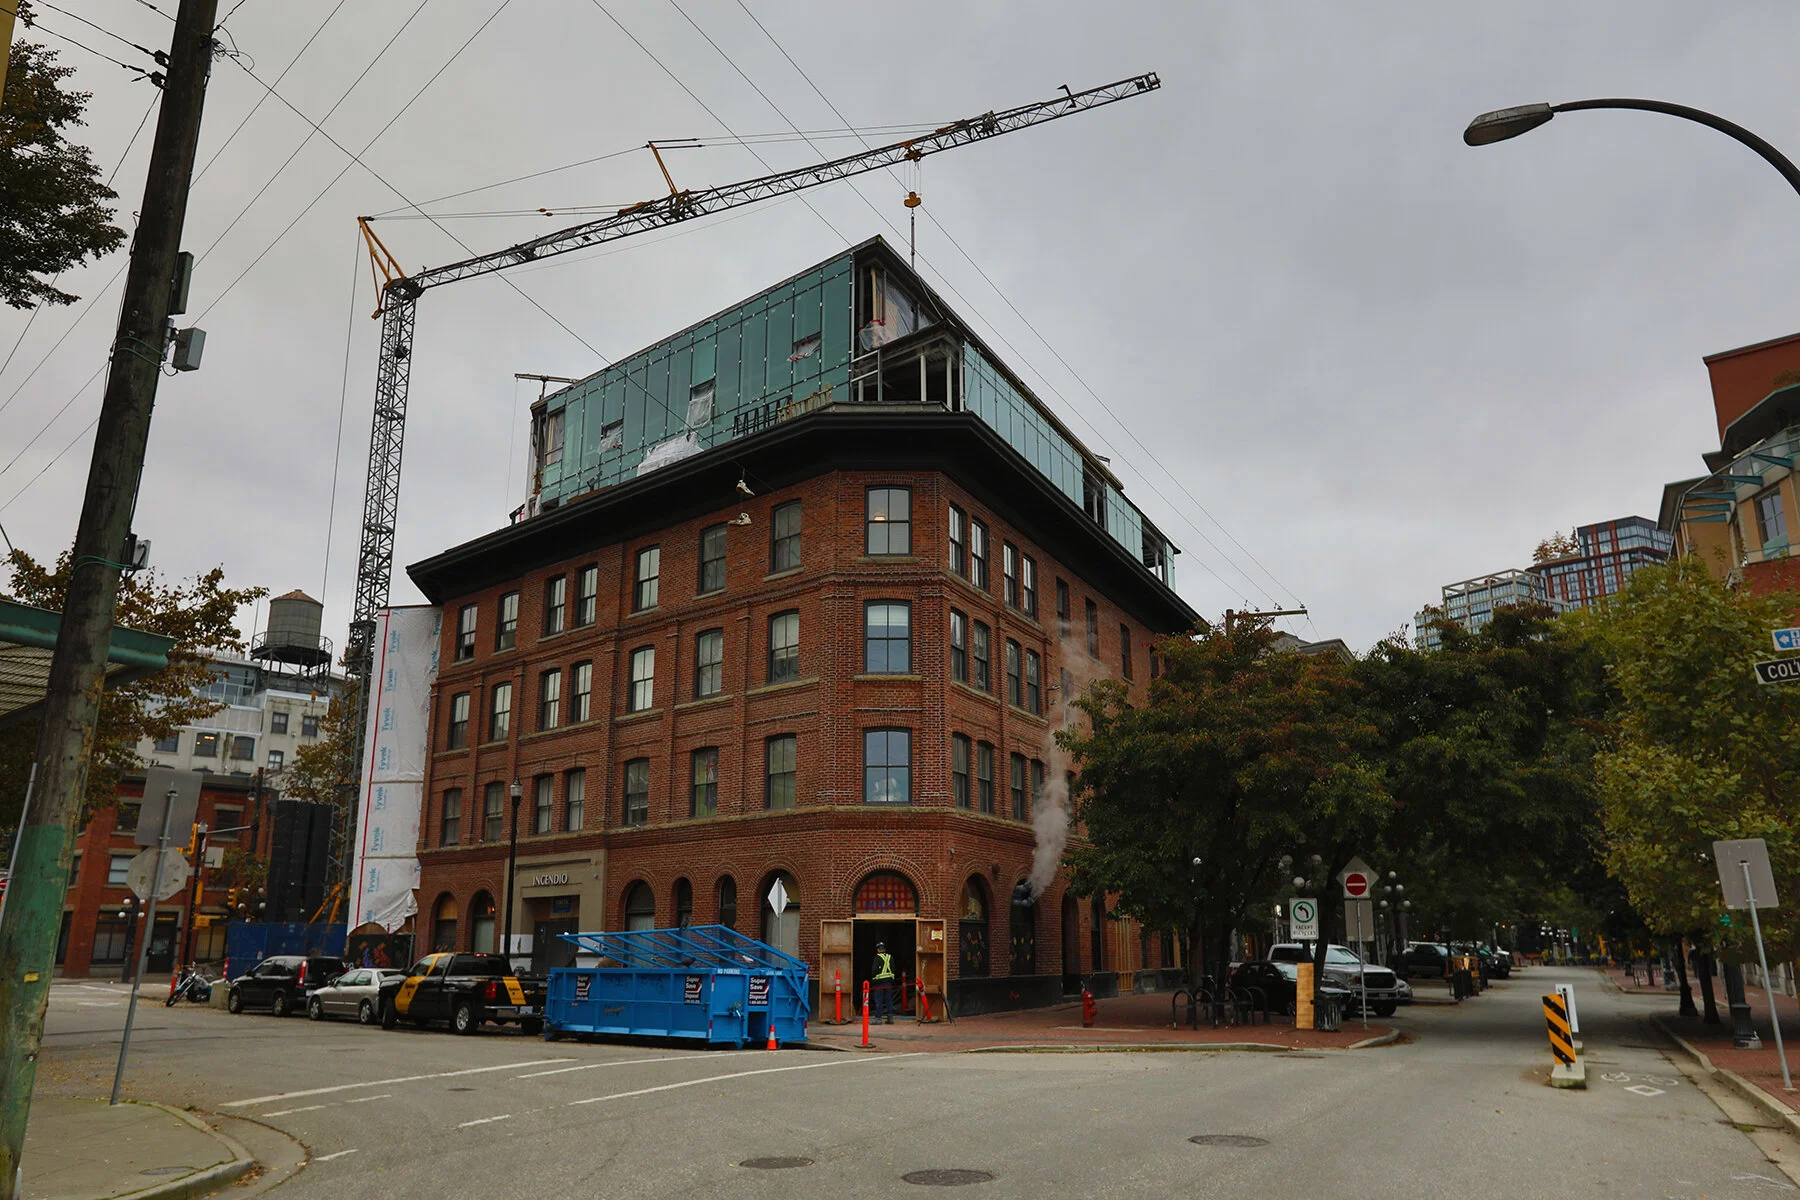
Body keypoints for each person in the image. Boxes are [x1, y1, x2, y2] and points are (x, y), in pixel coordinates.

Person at [871, 941, 897, 1024]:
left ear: (878, 949)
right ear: (884, 949)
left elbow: (874, 970)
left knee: (879, 1001)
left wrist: (873, 980)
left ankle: (878, 1018)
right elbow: (893, 969)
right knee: (889, 1000)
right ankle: (890, 1018)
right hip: (888, 982)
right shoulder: (890, 957)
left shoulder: (877, 957)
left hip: (879, 983)